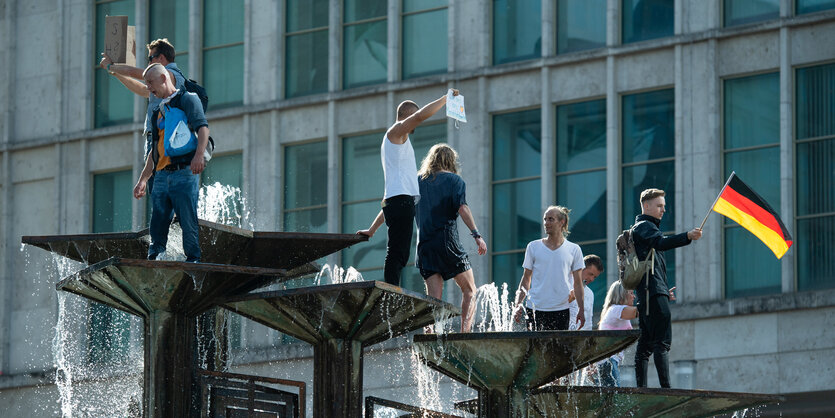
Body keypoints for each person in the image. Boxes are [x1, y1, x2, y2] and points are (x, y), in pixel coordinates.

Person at [357, 89, 459, 286]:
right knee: (398, 253)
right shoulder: (396, 132)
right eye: (412, 118)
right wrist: (445, 99)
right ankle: (391, 292)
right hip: (401, 204)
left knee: (397, 251)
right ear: (406, 116)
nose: (415, 125)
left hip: (397, 203)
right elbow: (420, 116)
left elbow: (391, 199)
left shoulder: (396, 145)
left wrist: (371, 230)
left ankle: (391, 289)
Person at [132, 63, 209, 262]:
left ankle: (193, 258)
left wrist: (199, 155)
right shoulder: (158, 111)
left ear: (164, 78)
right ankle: (155, 256)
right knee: (158, 221)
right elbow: (154, 151)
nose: (148, 87)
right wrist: (142, 180)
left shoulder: (187, 100)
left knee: (187, 218)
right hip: (161, 174)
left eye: (150, 82)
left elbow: (203, 129)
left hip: (183, 171)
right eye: (146, 83)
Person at [632, 188, 702, 388]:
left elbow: (652, 263)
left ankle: (642, 389)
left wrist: (663, 289)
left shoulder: (643, 228)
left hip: (649, 293)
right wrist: (687, 236)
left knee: (645, 345)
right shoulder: (645, 226)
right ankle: (666, 389)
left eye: (664, 206)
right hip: (653, 293)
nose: (663, 210)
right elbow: (661, 243)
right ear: (646, 206)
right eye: (659, 206)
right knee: (662, 342)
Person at [414, 144, 487, 332]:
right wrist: (477, 235)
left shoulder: (417, 181)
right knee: (470, 290)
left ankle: (430, 335)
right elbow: (462, 208)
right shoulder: (455, 181)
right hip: (447, 243)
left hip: (425, 246)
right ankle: (465, 333)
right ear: (451, 160)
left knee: (434, 299)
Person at [100, 38, 187, 161]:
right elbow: (142, 90)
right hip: (159, 136)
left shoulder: (170, 74)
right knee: (154, 177)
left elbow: (132, 72)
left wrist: (111, 66)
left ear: (161, 58)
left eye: (151, 58)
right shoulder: (165, 81)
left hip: (164, 135)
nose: (149, 64)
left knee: (158, 176)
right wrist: (117, 73)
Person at [513, 206, 585, 331]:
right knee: (534, 348)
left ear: (562, 222)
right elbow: (526, 279)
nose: (546, 223)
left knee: (558, 350)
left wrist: (581, 310)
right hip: (534, 308)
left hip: (561, 309)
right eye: (545, 219)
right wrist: (518, 305)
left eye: (551, 219)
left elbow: (578, 283)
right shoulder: (533, 247)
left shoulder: (574, 249)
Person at [591, 281, 639, 387]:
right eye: (631, 293)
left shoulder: (617, 312)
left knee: (609, 398)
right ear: (622, 295)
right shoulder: (616, 310)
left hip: (608, 362)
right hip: (608, 362)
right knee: (613, 398)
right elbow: (642, 311)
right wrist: (659, 297)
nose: (634, 296)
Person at [568, 254, 604, 330]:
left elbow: (588, 323)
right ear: (582, 268)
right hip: (560, 336)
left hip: (580, 339)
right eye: (590, 274)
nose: (592, 279)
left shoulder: (590, 294)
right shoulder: (564, 283)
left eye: (594, 277)